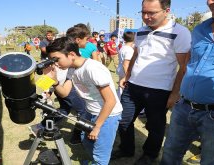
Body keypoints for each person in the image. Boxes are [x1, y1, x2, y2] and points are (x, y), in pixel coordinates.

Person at [113, 0, 191, 164]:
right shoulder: (140, 30)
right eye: (143, 12)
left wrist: (175, 93)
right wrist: (127, 75)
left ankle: (150, 154)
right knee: (123, 119)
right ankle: (126, 149)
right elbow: (136, 54)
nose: (146, 17)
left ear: (166, 10)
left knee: (155, 126)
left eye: (151, 13)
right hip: (133, 86)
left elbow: (184, 67)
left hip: (159, 90)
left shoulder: (180, 32)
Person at [160, 0, 214, 164]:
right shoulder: (200, 29)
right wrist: (175, 94)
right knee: (169, 154)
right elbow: (188, 65)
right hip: (183, 108)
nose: (210, 2)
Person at [45, 37, 123, 165]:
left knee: (101, 155)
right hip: (90, 111)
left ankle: (98, 161)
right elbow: (64, 93)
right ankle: (94, 160)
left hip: (107, 115)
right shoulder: (72, 69)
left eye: (56, 59)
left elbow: (111, 101)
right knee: (85, 139)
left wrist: (97, 126)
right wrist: (54, 82)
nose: (55, 64)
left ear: (71, 54)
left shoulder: (92, 69)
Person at [29, 67, 87, 145]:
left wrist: (48, 91)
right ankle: (76, 137)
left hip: (62, 86)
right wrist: (47, 92)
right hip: (67, 88)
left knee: (65, 110)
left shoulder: (51, 58)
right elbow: (50, 73)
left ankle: (40, 126)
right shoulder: (59, 59)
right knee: (83, 111)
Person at [116, 31, 135, 99]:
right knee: (124, 87)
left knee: (120, 87)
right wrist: (128, 75)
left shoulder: (123, 47)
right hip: (125, 71)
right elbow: (126, 64)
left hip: (121, 70)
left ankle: (119, 99)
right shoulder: (129, 50)